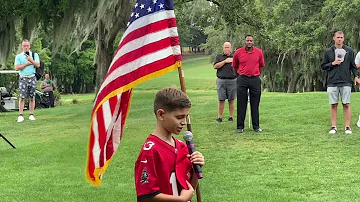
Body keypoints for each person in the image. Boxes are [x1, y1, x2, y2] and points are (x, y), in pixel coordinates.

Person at [134, 87, 205, 202]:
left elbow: (188, 187)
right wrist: (180, 199)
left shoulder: (182, 147)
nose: (184, 122)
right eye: (179, 117)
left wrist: (197, 169)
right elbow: (147, 196)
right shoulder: (150, 151)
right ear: (161, 114)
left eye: (186, 117)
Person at [321, 31, 360, 134]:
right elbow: (323, 66)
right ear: (334, 38)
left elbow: (353, 66)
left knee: (346, 104)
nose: (339, 39)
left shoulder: (349, 51)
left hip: (346, 81)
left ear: (343, 38)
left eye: (341, 37)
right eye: (338, 37)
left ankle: (347, 127)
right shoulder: (328, 51)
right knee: (333, 104)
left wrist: (356, 76)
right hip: (332, 81)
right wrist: (332, 63)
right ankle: (333, 126)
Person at [232, 35, 265, 133]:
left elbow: (261, 66)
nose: (249, 42)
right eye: (247, 40)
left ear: (253, 42)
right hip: (242, 78)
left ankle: (256, 126)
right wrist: (239, 76)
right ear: (245, 41)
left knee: (255, 103)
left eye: (251, 40)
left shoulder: (259, 52)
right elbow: (235, 66)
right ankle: (240, 127)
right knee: (241, 103)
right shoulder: (238, 52)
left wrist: (255, 73)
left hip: (254, 79)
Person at [14, 39, 40, 122]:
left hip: (32, 77)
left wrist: (31, 60)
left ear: (30, 46)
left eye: (27, 45)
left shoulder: (34, 55)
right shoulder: (19, 56)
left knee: (32, 96)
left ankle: (31, 114)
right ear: (22, 47)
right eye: (24, 46)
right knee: (22, 97)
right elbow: (16, 68)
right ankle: (21, 115)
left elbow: (38, 65)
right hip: (23, 78)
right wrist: (26, 64)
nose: (26, 47)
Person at [213, 42, 237, 123]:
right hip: (221, 80)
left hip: (232, 80)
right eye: (225, 47)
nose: (226, 49)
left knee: (231, 99)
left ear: (231, 48)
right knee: (221, 99)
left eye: (228, 47)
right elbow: (215, 66)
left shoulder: (234, 57)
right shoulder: (219, 57)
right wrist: (225, 61)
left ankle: (231, 117)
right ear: (223, 48)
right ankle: (220, 117)